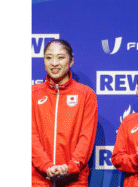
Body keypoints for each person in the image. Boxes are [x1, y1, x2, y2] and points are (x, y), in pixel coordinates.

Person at [32, 39, 98, 186]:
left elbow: (86, 138)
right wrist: (45, 165)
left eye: (60, 57)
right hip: (38, 178)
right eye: (49, 57)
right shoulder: (32, 94)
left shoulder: (86, 94)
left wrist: (71, 167)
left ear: (71, 61)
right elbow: (30, 136)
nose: (54, 63)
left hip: (74, 179)